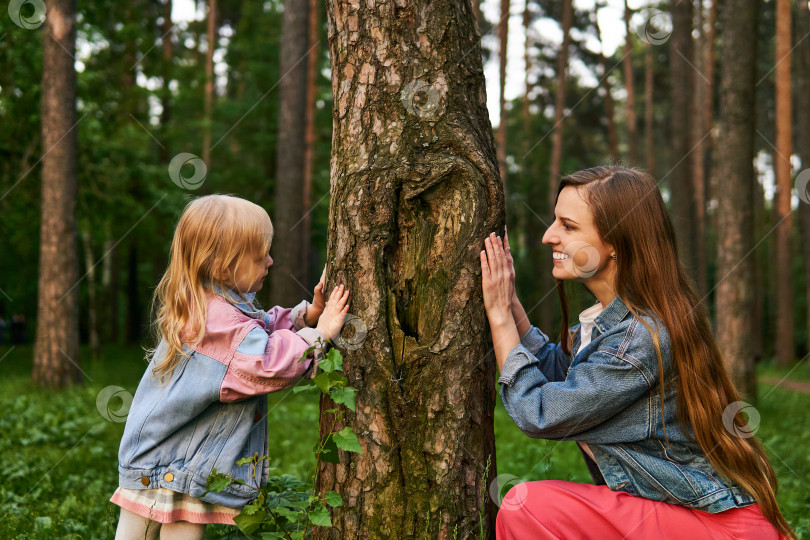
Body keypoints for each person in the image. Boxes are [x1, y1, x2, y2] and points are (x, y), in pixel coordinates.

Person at [480, 166, 793, 539]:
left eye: (568, 226)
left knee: (529, 506)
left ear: (615, 242)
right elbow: (558, 374)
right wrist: (511, 301)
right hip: (680, 518)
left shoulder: (637, 341)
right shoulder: (613, 326)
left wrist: (498, 317)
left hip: (716, 528)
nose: (549, 236)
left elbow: (540, 412)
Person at [111, 195, 350, 540]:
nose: (270, 261)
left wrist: (306, 317)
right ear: (224, 267)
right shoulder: (218, 319)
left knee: (139, 531)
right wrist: (321, 333)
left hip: (166, 456)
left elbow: (260, 328)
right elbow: (265, 363)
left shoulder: (215, 303)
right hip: (174, 462)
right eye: (260, 256)